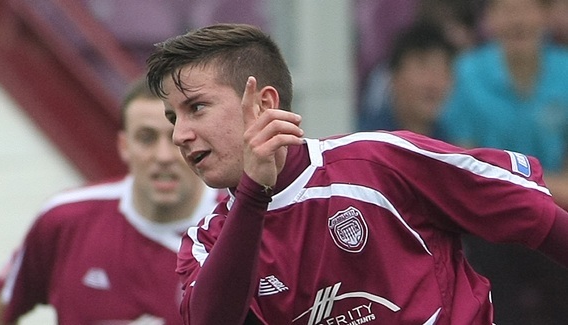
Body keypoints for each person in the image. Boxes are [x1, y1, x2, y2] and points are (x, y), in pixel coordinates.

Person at [145, 23, 568, 324]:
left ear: (262, 104)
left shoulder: (378, 161)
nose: (180, 134)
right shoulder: (207, 240)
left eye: (196, 107)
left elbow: (536, 217)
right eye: (172, 117)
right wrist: (255, 195)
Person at [0, 78, 222, 325]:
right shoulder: (64, 219)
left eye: (175, 138)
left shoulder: (239, 226)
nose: (163, 156)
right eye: (146, 138)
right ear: (125, 146)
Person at [437, 0, 568, 322]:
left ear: (547, 14)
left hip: (556, 212)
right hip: (491, 220)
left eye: (527, 8)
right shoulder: (467, 73)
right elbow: (463, 165)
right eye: (506, 9)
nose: (517, 19)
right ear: (489, 19)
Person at [358, 19, 457, 138]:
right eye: (423, 67)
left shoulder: (450, 145)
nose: (433, 84)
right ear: (394, 75)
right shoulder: (364, 139)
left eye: (443, 71)